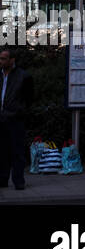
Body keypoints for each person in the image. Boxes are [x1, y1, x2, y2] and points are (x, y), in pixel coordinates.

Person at [0, 46, 34, 191]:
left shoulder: (24, 76)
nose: (0, 61)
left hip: (15, 119)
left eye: (3, 58)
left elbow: (29, 99)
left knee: (17, 152)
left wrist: (18, 112)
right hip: (0, 119)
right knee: (2, 152)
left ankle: (18, 181)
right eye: (0, 58)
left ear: (12, 60)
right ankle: (2, 180)